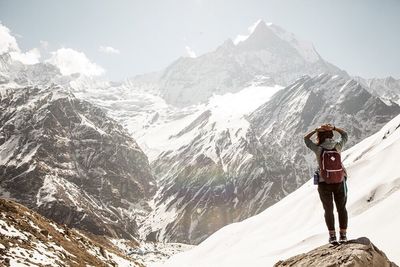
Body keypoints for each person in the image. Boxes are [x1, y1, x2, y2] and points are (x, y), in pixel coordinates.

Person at [304, 123, 348, 244]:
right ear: (331, 134)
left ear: (320, 136)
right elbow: (345, 135)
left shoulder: (318, 149)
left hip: (324, 183)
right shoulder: (338, 146)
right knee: (341, 208)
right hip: (339, 180)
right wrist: (334, 128)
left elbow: (306, 139)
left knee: (328, 210)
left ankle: (332, 237)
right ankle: (343, 236)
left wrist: (315, 130)